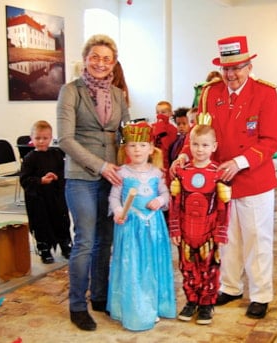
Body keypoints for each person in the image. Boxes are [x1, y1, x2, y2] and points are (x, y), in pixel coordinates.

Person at [172, 35, 277, 319]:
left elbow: (270, 141)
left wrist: (240, 162)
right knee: (227, 237)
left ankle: (260, 294)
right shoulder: (210, 93)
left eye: (237, 68)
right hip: (219, 182)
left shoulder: (265, 93)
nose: (231, 74)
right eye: (226, 68)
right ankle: (230, 287)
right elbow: (200, 131)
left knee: (257, 239)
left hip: (255, 181)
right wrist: (185, 152)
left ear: (248, 66)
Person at [56, 34, 130, 331]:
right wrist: (100, 165)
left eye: (107, 59)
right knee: (86, 241)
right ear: (85, 58)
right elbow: (65, 139)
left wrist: (140, 146)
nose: (101, 63)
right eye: (95, 57)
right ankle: (77, 305)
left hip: (112, 177)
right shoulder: (70, 91)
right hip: (82, 177)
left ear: (113, 63)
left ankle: (100, 296)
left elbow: (124, 133)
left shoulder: (117, 94)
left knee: (106, 240)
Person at [107, 121, 176, 331]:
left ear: (151, 148)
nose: (137, 149)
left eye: (142, 145)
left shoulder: (157, 173)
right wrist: (119, 212)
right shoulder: (122, 173)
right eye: (132, 145)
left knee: (152, 265)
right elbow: (114, 197)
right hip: (130, 228)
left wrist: (160, 201)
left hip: (153, 228)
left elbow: (165, 194)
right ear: (125, 149)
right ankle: (132, 307)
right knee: (134, 266)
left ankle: (154, 305)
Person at [168, 123, 231, 325]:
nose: (200, 149)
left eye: (205, 145)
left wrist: (220, 233)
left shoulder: (218, 174)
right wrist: (175, 228)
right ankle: (191, 301)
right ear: (189, 145)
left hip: (209, 233)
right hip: (186, 232)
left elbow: (224, 206)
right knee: (187, 268)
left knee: (210, 269)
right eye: (195, 144)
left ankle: (206, 304)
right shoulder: (182, 172)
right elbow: (175, 203)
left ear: (214, 146)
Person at [19, 120, 72, 264]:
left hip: (56, 197)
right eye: (37, 138)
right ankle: (45, 249)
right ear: (32, 138)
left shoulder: (56, 154)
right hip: (39, 200)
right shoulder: (29, 159)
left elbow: (64, 172)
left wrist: (57, 177)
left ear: (51, 138)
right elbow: (24, 180)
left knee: (61, 221)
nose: (41, 141)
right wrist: (40, 181)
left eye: (45, 138)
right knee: (42, 223)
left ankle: (65, 245)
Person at [152, 100, 178, 171]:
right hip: (153, 160)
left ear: (170, 114)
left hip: (166, 161)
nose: (160, 115)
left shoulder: (173, 129)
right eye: (157, 112)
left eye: (163, 112)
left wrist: (161, 128)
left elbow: (168, 145)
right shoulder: (153, 127)